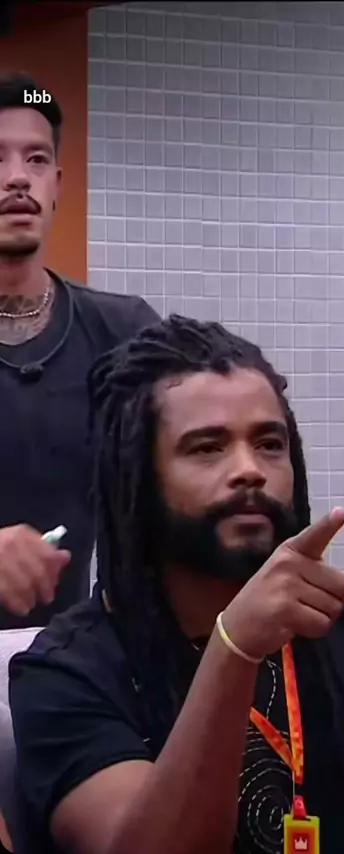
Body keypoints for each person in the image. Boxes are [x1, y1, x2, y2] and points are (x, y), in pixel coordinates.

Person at [8, 316, 344, 854]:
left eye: (269, 444)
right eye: (207, 448)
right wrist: (235, 647)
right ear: (136, 476)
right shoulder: (68, 672)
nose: (250, 469)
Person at [0, 71, 158, 628]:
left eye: (37, 159)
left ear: (57, 184)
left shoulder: (123, 333)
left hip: (68, 659)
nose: (18, 177)